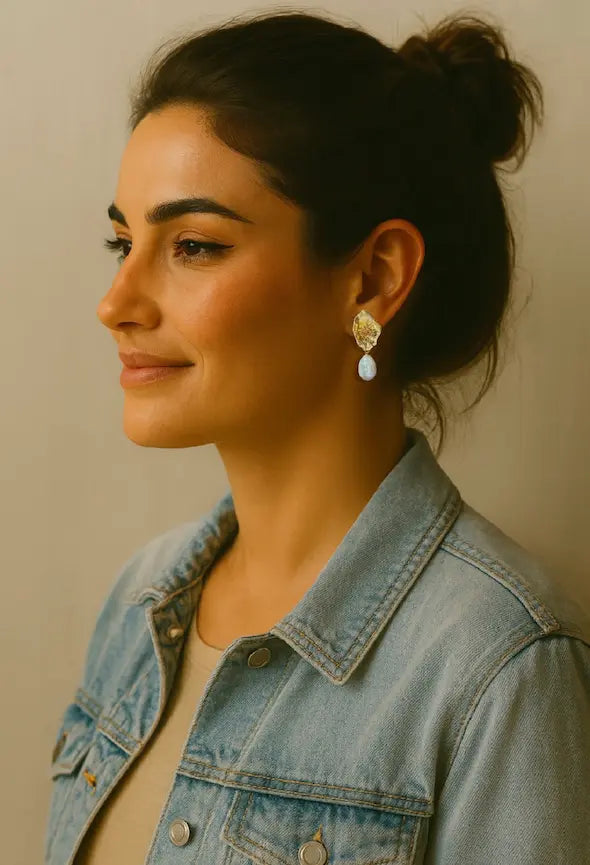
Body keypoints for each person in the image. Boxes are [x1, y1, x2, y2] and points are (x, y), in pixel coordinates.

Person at [44, 9, 590, 865]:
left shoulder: (500, 665)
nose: (117, 302)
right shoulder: (142, 602)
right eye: (123, 240)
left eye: (191, 244)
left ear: (373, 278)